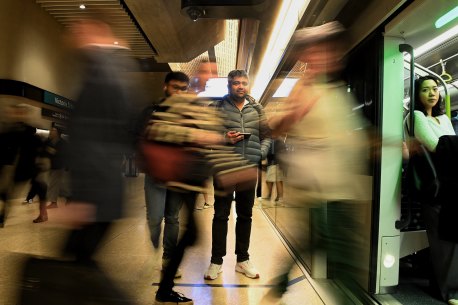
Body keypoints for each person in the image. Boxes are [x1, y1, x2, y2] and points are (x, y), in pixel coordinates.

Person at [262, 22, 370, 304]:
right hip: (320, 191)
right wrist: (291, 115)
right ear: (309, 56)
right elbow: (273, 126)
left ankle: (282, 278)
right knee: (342, 259)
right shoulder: (304, 90)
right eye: (320, 51)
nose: (330, 56)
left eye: (332, 51)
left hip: (343, 189)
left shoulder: (337, 91)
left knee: (316, 244)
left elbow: (348, 138)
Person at [204, 69, 271, 280]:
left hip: (249, 168)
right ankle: (216, 261)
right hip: (225, 167)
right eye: (235, 83)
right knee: (221, 216)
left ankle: (243, 260)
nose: (240, 86)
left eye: (243, 83)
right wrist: (224, 138)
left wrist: (260, 153)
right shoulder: (216, 107)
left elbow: (268, 136)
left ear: (247, 85)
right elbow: (205, 135)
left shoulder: (257, 109)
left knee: (245, 216)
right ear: (229, 86)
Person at [407, 75, 458, 305]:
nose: (432, 93)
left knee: (453, 238)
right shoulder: (415, 116)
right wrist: (451, 144)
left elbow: (450, 147)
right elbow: (436, 146)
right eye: (425, 90)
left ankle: (450, 286)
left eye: (435, 89)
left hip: (450, 186)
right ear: (417, 95)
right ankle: (447, 291)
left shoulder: (444, 118)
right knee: (441, 241)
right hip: (434, 187)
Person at [135, 71, 190, 279]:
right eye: (176, 87)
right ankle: (155, 239)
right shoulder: (150, 112)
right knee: (155, 218)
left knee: (173, 218)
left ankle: (168, 260)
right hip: (155, 174)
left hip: (178, 175)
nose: (179, 92)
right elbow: (137, 137)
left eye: (184, 89)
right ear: (165, 87)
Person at [44, 126, 69, 209]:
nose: (51, 131)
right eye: (51, 130)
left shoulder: (62, 143)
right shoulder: (49, 141)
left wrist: (51, 151)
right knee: (57, 184)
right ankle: (67, 198)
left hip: (58, 166)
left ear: (58, 133)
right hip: (51, 166)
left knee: (54, 185)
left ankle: (54, 203)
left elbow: (63, 155)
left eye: (53, 130)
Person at [261, 136, 286, 206]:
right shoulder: (278, 139)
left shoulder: (275, 140)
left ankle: (279, 199)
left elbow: (272, 152)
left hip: (274, 163)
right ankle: (276, 198)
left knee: (274, 181)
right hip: (276, 163)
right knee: (277, 181)